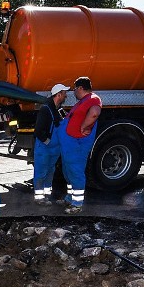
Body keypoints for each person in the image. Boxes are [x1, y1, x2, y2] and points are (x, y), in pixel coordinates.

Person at [58, 77, 102, 214]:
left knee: (75, 173)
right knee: (68, 172)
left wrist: (84, 125)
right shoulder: (84, 101)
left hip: (76, 145)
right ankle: (70, 198)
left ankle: (77, 204)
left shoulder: (93, 99)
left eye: (74, 89)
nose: (74, 92)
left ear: (80, 88)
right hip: (70, 144)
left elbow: (95, 113)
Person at [33, 82, 69, 206]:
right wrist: (48, 142)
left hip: (53, 149)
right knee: (41, 172)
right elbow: (38, 131)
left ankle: (47, 195)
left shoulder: (57, 109)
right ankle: (39, 198)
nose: (66, 96)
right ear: (58, 95)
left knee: (49, 172)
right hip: (44, 148)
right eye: (64, 94)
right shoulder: (46, 109)